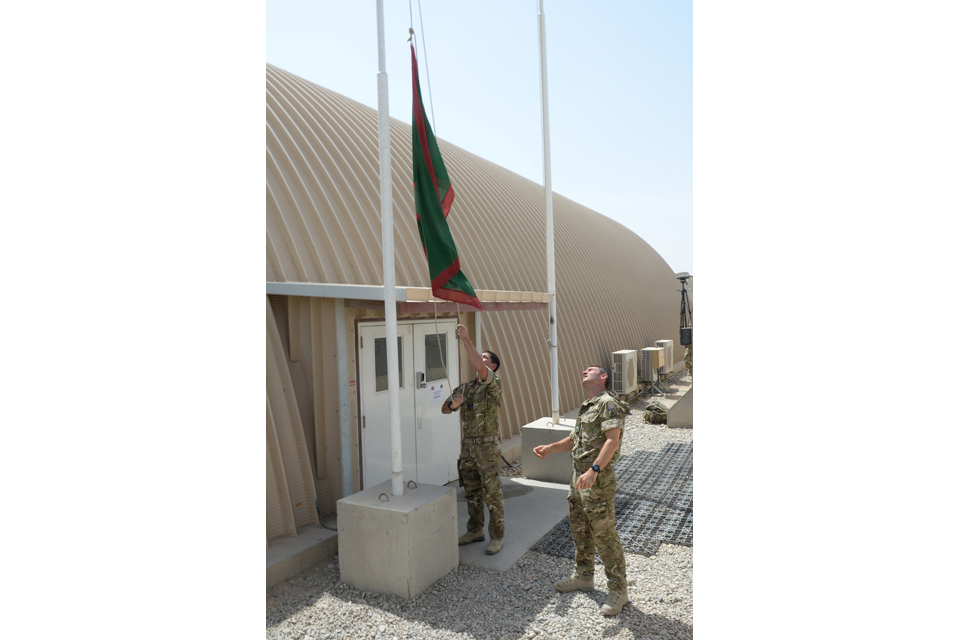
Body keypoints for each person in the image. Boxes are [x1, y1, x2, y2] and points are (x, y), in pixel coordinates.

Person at [533, 364, 629, 616]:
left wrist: (594, 470)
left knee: (604, 534)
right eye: (584, 370)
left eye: (591, 369)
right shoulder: (588, 405)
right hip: (579, 476)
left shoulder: (607, 403)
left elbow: (612, 440)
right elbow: (576, 439)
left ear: (604, 377)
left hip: (596, 478)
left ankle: (619, 589)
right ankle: (584, 576)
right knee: (580, 528)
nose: (585, 371)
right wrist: (550, 448)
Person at [441, 323, 505, 555]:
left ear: (493, 365)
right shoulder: (467, 387)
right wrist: (453, 404)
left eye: (485, 357)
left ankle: (497, 537)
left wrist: (466, 340)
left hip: (486, 448)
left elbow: (476, 364)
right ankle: (475, 530)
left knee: (492, 493)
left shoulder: (493, 383)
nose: (480, 358)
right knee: (472, 492)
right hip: (468, 449)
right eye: (481, 355)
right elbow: (445, 410)